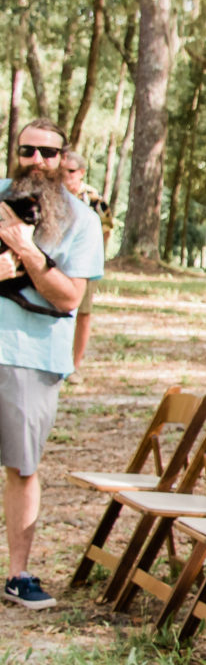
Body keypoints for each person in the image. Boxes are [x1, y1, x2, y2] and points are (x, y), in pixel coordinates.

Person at [0, 119, 104, 610]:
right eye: (27, 151)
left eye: (47, 152)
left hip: (31, 356)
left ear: (65, 158)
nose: (36, 161)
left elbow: (69, 297)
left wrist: (25, 252)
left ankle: (18, 574)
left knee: (22, 466)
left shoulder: (82, 220)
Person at [58, 152, 101, 379]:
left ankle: (75, 365)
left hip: (86, 265)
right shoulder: (53, 196)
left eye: (71, 171)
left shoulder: (93, 199)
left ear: (81, 172)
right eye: (63, 171)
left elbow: (106, 228)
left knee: (83, 313)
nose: (66, 175)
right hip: (58, 264)